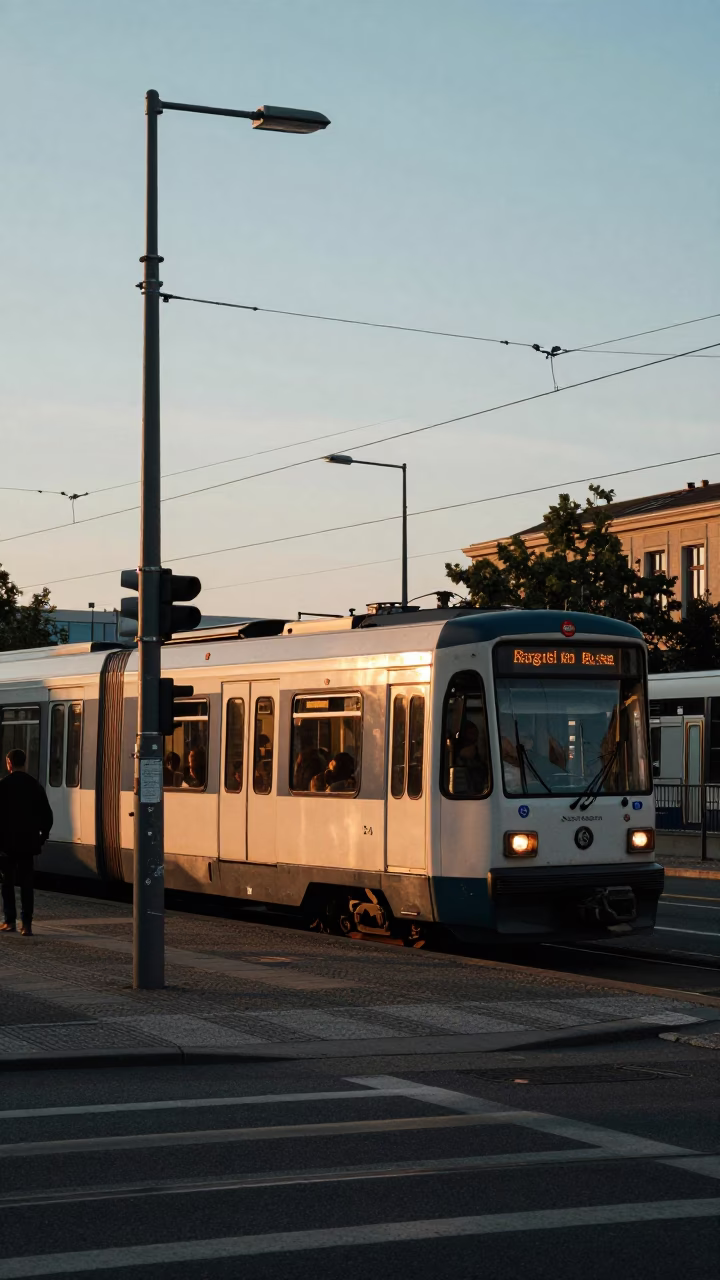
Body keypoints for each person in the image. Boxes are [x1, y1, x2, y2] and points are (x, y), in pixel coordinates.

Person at [0, 749, 53, 937]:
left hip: (6, 845)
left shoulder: (3, 786)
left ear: (9, 763)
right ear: (25, 763)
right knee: (26, 884)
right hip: (28, 844)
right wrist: (41, 837)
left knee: (7, 883)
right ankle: (27, 924)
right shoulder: (35, 786)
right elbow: (47, 816)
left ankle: (9, 921)